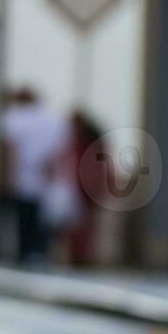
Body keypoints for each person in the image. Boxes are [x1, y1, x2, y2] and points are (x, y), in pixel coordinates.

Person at [0, 88, 68, 266]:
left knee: (22, 221)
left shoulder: (14, 118)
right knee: (41, 221)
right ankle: (39, 253)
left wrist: (3, 180)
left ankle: (21, 255)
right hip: (45, 179)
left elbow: (8, 150)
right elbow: (61, 151)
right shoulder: (53, 121)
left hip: (20, 179)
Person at [61, 112, 112, 266]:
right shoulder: (91, 144)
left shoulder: (87, 145)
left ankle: (81, 256)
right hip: (83, 188)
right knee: (80, 226)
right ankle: (79, 256)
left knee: (82, 227)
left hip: (84, 189)